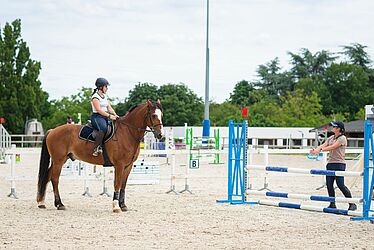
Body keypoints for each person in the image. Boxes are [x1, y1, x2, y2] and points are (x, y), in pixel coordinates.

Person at [310, 121, 357, 211]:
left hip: (339, 164)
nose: (332, 127)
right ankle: (332, 203)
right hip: (330, 163)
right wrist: (315, 150)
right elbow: (323, 145)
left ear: (339, 128)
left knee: (340, 185)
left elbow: (332, 147)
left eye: (334, 126)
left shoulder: (342, 138)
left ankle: (352, 203)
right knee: (329, 184)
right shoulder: (331, 137)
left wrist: (320, 150)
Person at [90, 77, 119, 156]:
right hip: (97, 117)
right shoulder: (95, 97)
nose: (107, 88)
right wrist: (110, 116)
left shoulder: (105, 96)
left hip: (105, 116)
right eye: (106, 86)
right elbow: (98, 110)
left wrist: (115, 114)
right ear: (100, 87)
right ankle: (96, 148)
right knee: (103, 128)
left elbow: (109, 107)